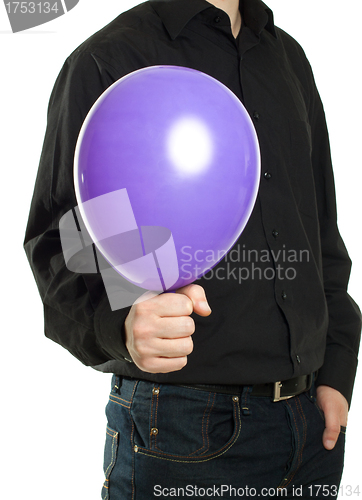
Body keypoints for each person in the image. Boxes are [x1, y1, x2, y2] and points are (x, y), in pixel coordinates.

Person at [24, 0, 361, 497]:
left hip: (310, 431)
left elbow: (320, 231)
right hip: (182, 432)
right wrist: (122, 324)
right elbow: (64, 241)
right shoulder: (112, 59)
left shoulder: (286, 57)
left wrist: (335, 371)